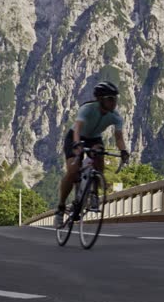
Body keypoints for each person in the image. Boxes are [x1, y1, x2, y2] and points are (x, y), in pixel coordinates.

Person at [55, 81, 129, 226]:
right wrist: (76, 145)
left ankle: (94, 192)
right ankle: (61, 207)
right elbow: (77, 128)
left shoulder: (116, 117)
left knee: (100, 155)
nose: (114, 102)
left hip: (94, 138)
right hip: (75, 137)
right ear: (100, 99)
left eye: (115, 99)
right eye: (110, 99)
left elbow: (119, 137)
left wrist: (123, 151)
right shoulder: (87, 109)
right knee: (72, 171)